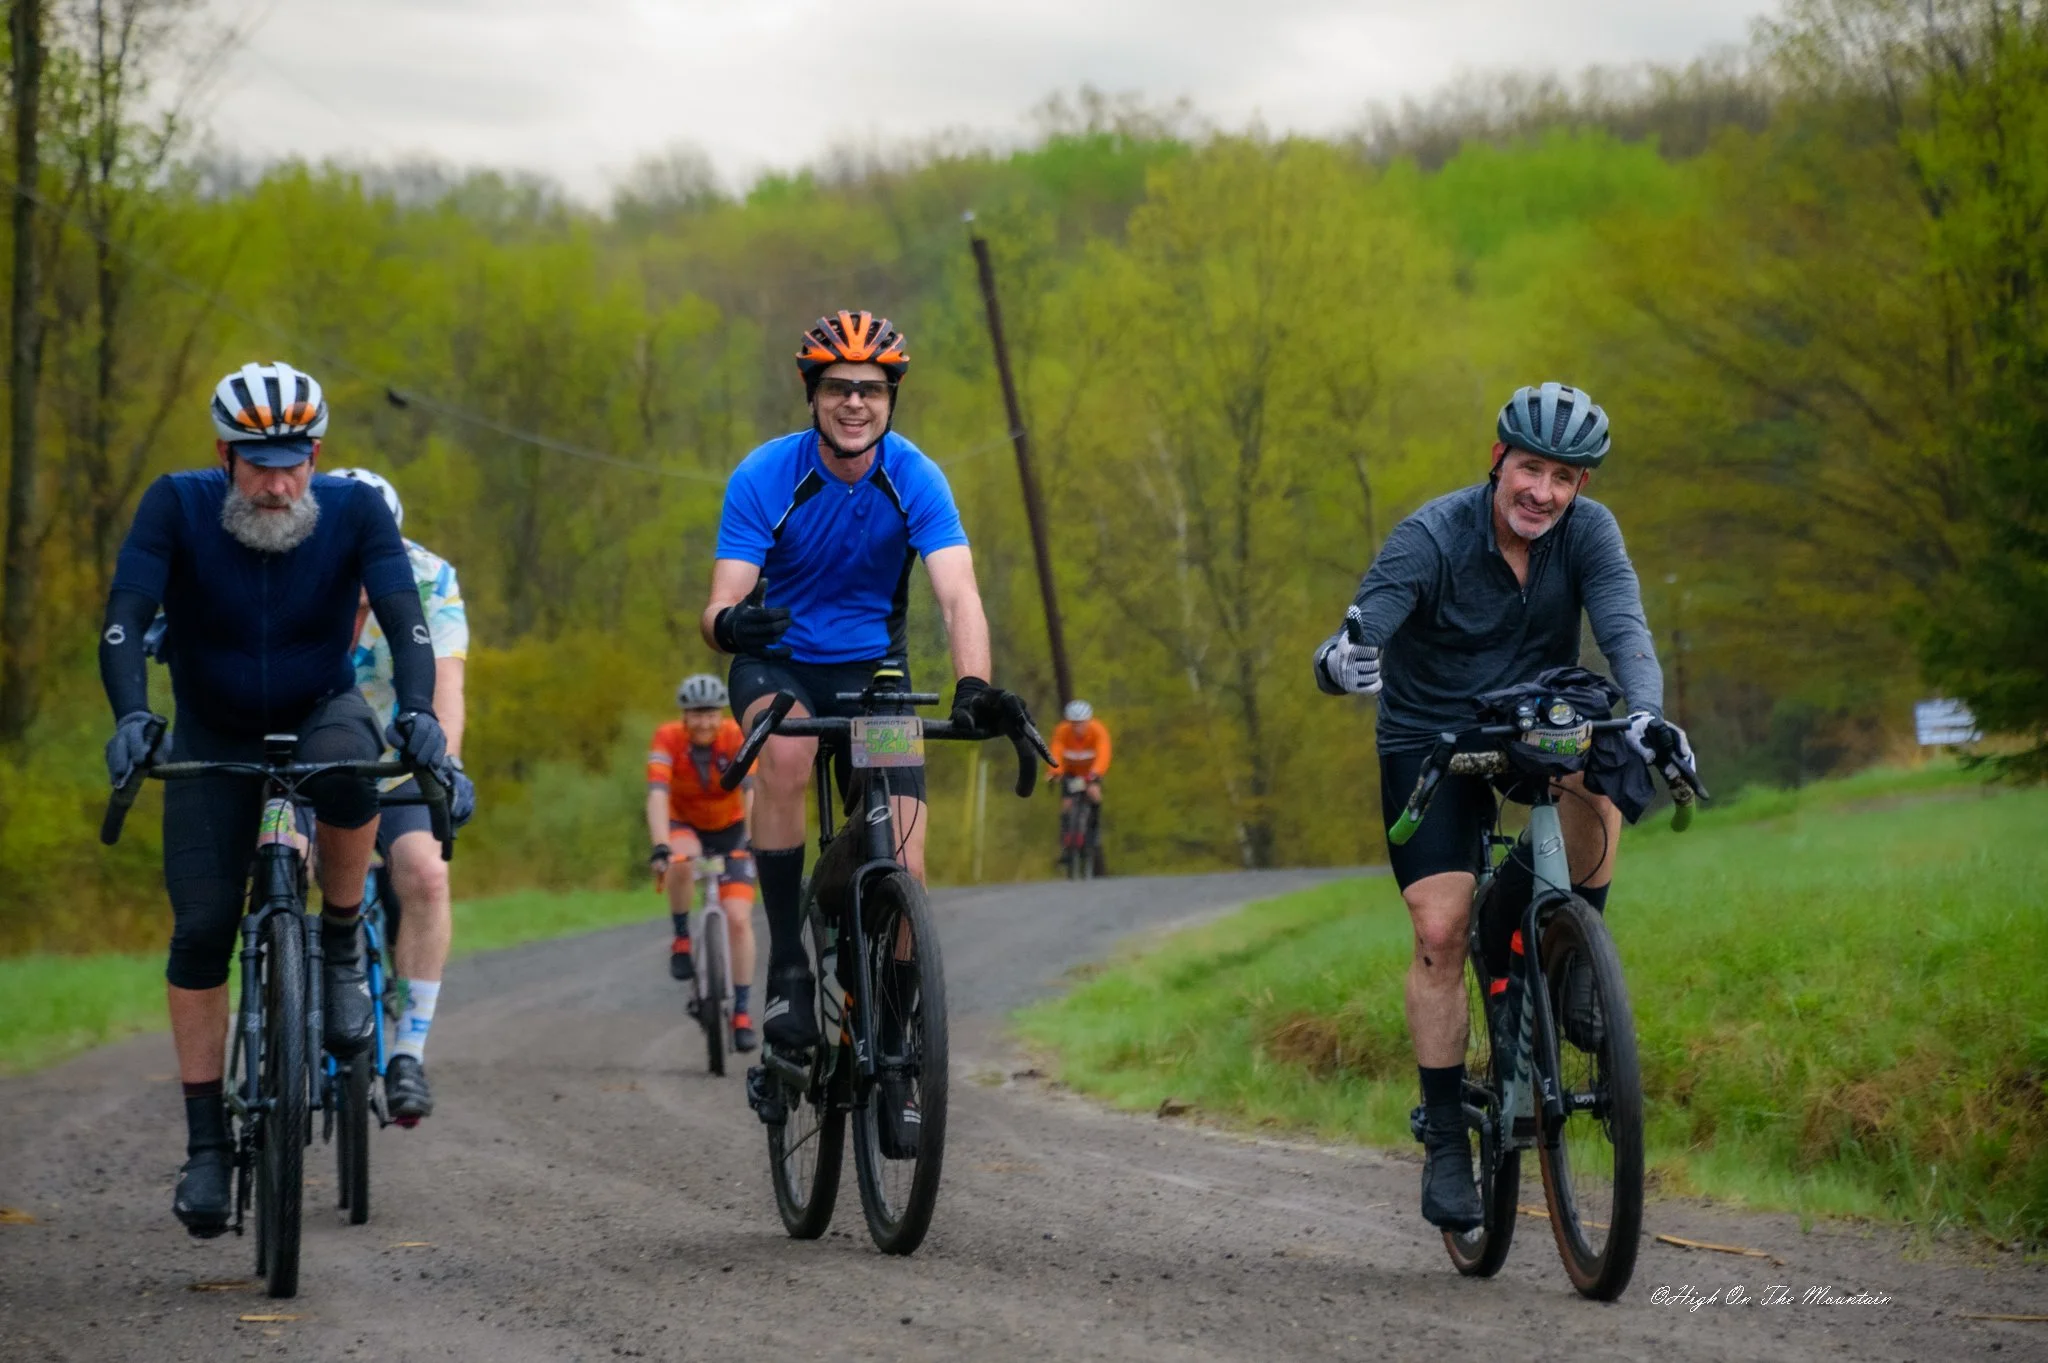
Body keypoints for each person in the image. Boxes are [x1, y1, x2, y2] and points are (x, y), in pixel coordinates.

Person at [1310, 381, 1694, 1233]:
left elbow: (1627, 630)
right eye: (1530, 469)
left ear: (1581, 486)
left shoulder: (1589, 533)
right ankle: (1447, 1135)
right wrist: (1342, 658)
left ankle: (1573, 949)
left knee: (1610, 760)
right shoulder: (1432, 535)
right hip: (1431, 738)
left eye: (1564, 477)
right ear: (1498, 462)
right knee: (1442, 929)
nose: (1543, 492)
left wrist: (1647, 712)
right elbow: (1361, 626)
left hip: (1534, 716)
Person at [99, 363, 454, 1237]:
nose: (278, 480)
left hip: (318, 708)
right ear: (224, 453)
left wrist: (417, 715)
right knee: (202, 929)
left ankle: (337, 941)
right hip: (213, 730)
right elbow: (123, 615)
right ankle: (209, 1146)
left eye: (293, 458)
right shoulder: (176, 505)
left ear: (317, 452)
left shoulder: (353, 511)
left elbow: (407, 617)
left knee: (350, 770)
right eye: (259, 460)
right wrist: (135, 716)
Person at [698, 309, 1042, 1064]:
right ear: (811, 395)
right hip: (779, 662)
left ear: (892, 399)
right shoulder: (765, 475)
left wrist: (974, 685)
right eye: (838, 387)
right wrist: (733, 626)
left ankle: (892, 1029)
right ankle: (788, 959)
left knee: (908, 861)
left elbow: (958, 593)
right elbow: (720, 602)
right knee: (785, 756)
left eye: (872, 389)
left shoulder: (914, 476)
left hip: (873, 674)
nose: (855, 402)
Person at [331, 467, 475, 1124]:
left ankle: (408, 1053)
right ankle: (288, 1001)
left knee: (425, 873)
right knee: (295, 853)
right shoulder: (289, 565)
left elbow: (447, 684)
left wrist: (444, 764)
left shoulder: (427, 575)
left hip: (394, 759)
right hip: (305, 759)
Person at [646, 673, 758, 1052]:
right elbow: (658, 794)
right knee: (681, 860)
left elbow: (751, 791)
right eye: (696, 714)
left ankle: (742, 1010)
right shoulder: (667, 739)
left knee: (739, 919)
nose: (704, 722)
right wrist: (661, 844)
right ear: (684, 716)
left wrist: (756, 839)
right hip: (685, 824)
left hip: (731, 830)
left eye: (710, 713)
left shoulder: (735, 735)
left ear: (721, 713)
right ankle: (681, 938)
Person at [1047, 698, 1111, 873]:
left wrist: (1095, 774)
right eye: (1074, 724)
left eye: (1081, 723)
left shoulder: (1098, 731)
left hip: (1092, 771)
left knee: (1094, 794)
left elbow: (1103, 754)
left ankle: (1094, 831)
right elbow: (1055, 753)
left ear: (1088, 721)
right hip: (1072, 773)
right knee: (1067, 806)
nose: (1078, 728)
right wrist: (1054, 773)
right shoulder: (1062, 732)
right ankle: (1066, 843)